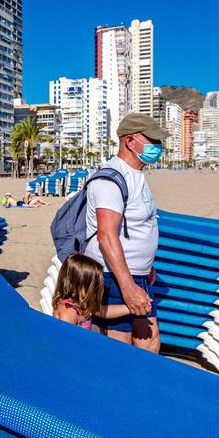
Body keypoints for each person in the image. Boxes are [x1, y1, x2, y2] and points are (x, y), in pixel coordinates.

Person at [85, 113, 165, 352]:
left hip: (136, 274)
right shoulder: (110, 179)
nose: (158, 146)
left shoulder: (136, 176)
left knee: (149, 342)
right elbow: (106, 235)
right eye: (152, 140)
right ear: (130, 142)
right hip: (114, 277)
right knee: (121, 351)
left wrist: (146, 265)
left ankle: (143, 389)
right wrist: (128, 287)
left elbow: (138, 224)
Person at [52, 254, 131, 330]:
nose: (100, 289)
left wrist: (130, 309)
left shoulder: (80, 305)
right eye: (95, 286)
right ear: (80, 286)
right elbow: (61, 339)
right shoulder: (69, 311)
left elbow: (103, 311)